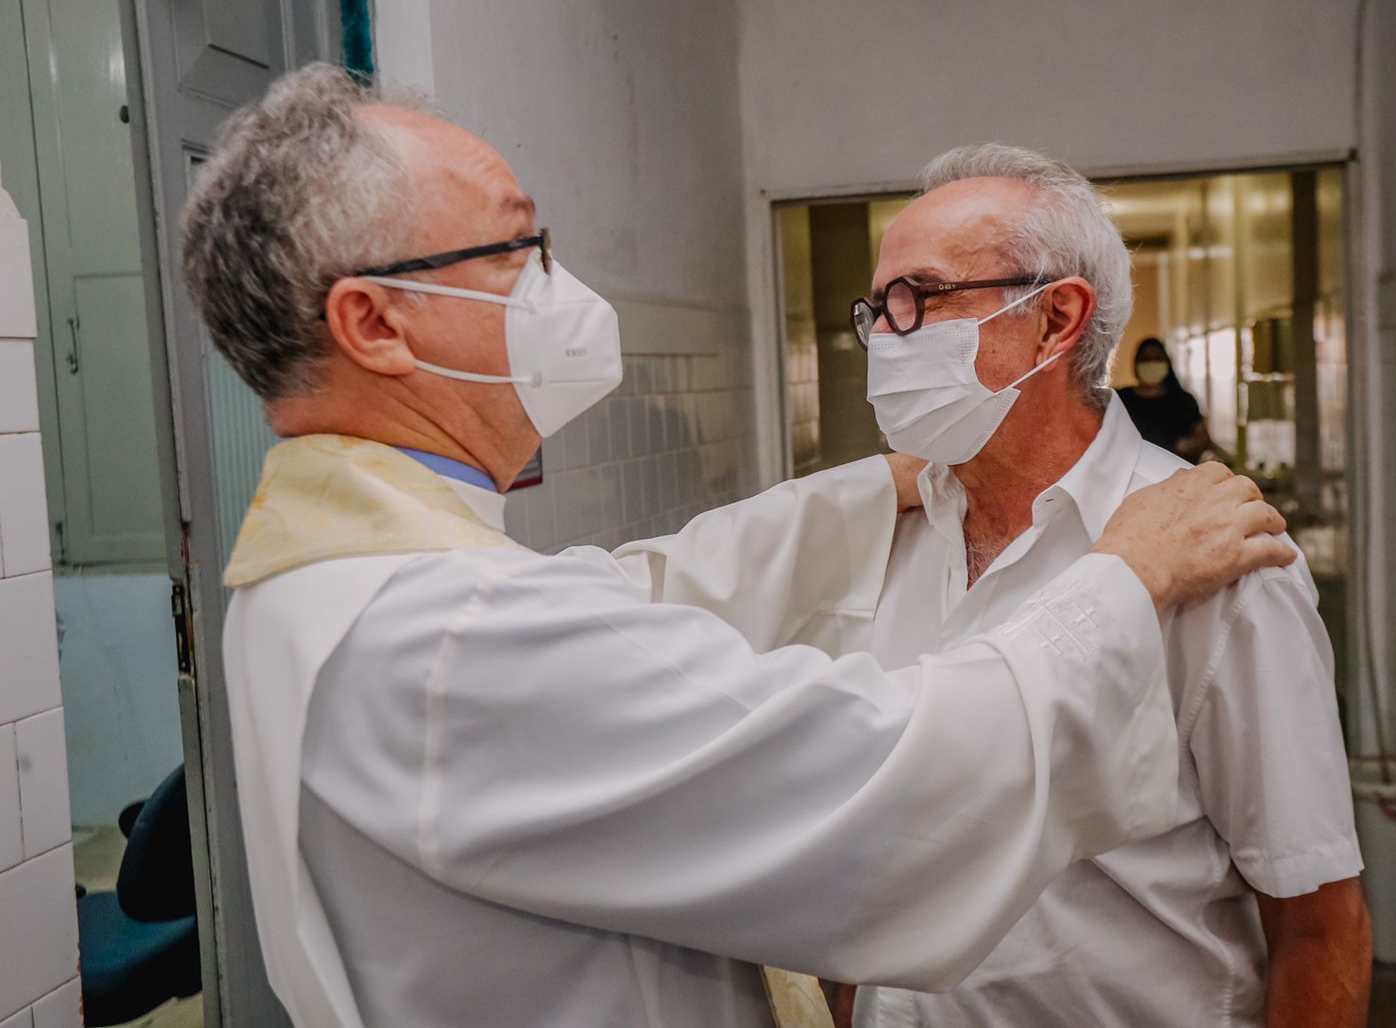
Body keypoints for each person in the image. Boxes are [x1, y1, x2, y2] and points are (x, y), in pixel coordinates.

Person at [183, 66, 1295, 1028]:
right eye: (518, 248)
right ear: (375, 323)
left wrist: (868, 491)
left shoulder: (330, 582)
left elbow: (641, 596)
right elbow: (892, 785)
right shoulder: (447, 638)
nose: (560, 286)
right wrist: (1124, 578)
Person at [840, 145, 1370, 1028]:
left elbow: (1317, 923)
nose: (886, 339)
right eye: (878, 309)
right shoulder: (886, 531)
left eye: (920, 298)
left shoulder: (1220, 558)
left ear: (1056, 319)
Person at [1116, 336, 1213, 462]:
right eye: (1145, 359)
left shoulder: (1184, 401)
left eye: (1158, 358)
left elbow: (1203, 439)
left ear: (1167, 363)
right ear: (1135, 364)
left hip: (1177, 469)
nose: (1151, 364)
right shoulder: (1120, 399)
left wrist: (1191, 445)